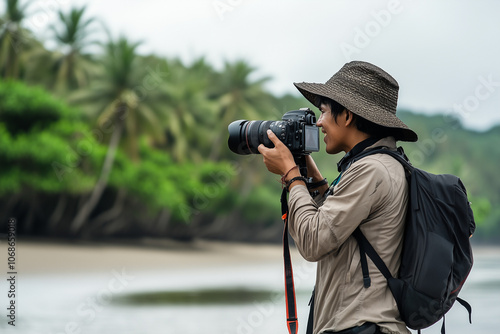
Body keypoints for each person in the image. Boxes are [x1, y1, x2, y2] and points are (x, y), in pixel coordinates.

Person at [258, 61, 418, 334]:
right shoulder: (382, 164)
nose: (319, 123)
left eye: (323, 113)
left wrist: (292, 175)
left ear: (347, 116)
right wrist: (310, 175)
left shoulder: (371, 170)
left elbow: (313, 240)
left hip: (361, 326)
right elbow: (335, 224)